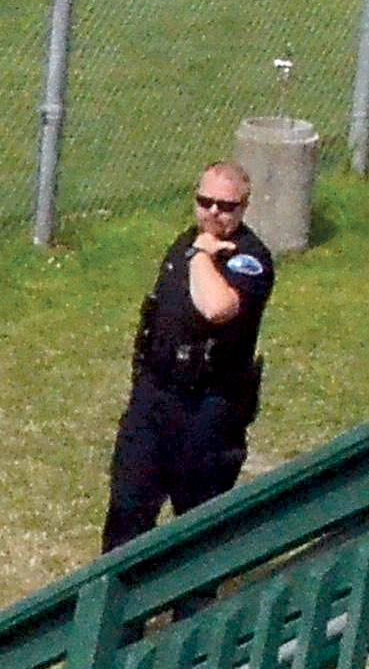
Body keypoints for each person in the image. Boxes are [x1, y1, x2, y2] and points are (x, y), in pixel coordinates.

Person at [104, 161, 276, 551]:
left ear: (244, 208)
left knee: (199, 527)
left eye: (226, 206)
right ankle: (119, 608)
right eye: (205, 201)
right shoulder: (183, 243)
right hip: (156, 396)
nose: (214, 212)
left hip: (208, 409)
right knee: (128, 510)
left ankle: (194, 611)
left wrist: (202, 256)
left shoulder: (249, 259)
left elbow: (217, 308)